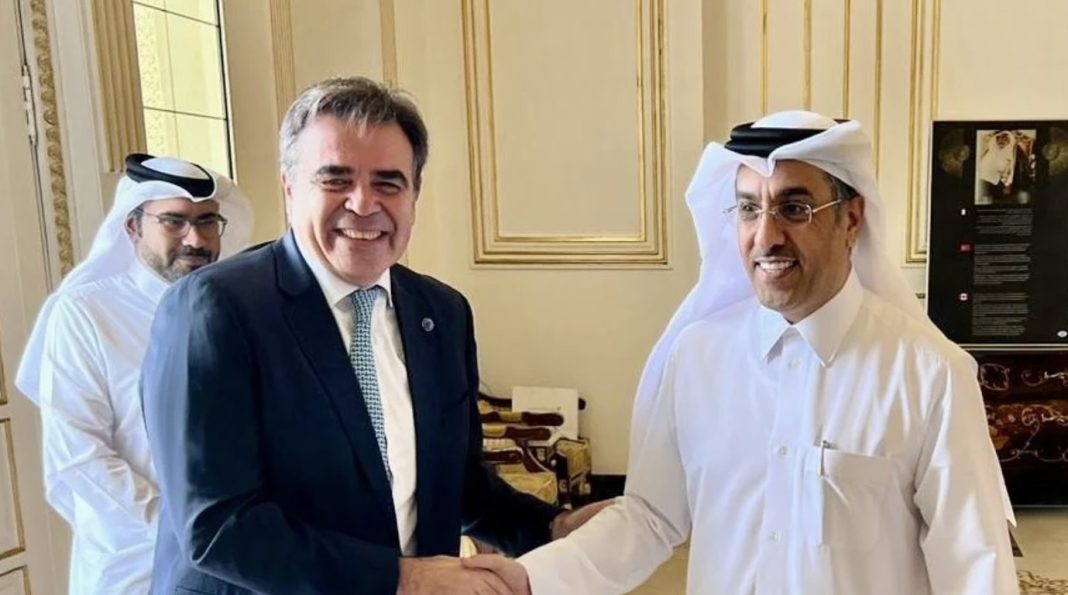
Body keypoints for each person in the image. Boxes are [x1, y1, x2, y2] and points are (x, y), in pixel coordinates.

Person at [467, 111, 1019, 594]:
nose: (766, 236)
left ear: (851, 220)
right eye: (749, 209)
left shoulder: (930, 373)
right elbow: (650, 518)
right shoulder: (697, 356)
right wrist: (529, 579)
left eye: (794, 209)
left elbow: (974, 565)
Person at [141, 76, 605, 595]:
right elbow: (217, 526)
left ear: (414, 195)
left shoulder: (441, 313)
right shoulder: (213, 309)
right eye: (335, 179)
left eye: (388, 183)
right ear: (290, 187)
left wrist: (555, 528)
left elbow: (457, 482)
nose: (363, 204)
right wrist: (402, 579)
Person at [14, 154, 253, 595]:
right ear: (132, 226)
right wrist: (178, 529)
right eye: (174, 222)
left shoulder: (234, 305)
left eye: (207, 221)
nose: (195, 239)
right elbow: (79, 455)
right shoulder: (85, 313)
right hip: (135, 560)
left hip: (239, 553)